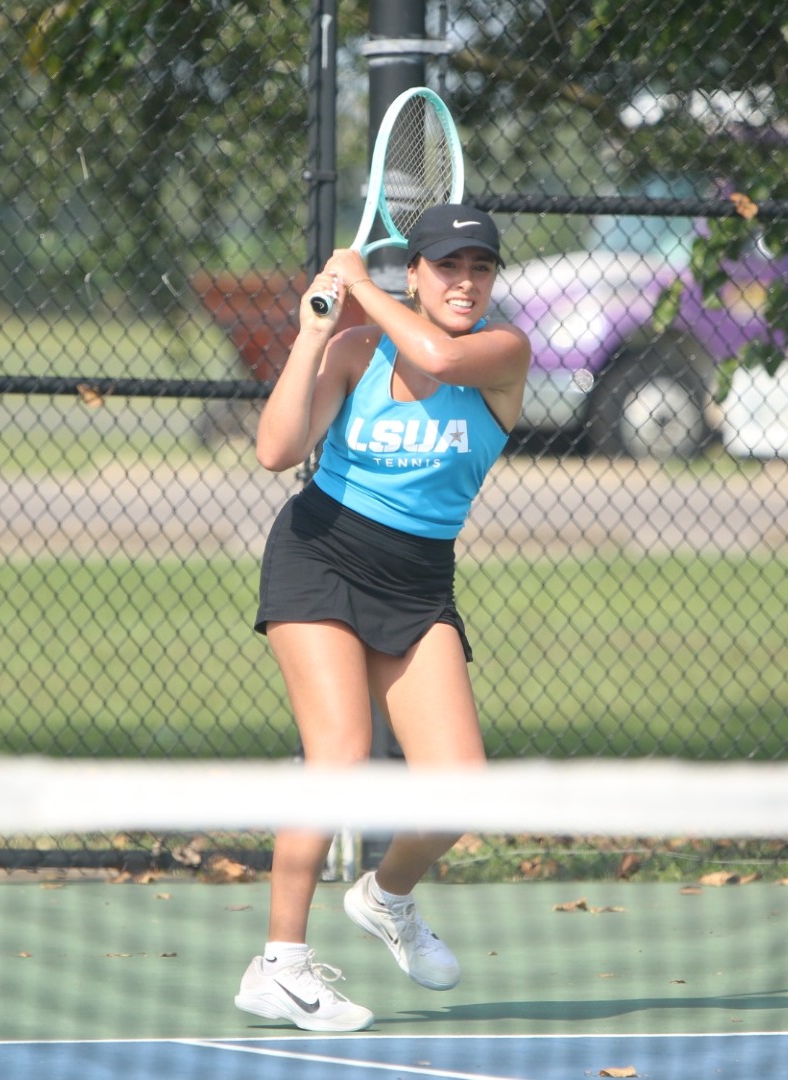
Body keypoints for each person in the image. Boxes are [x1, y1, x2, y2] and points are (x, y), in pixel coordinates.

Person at [232, 204, 531, 1032]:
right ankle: (279, 966)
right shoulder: (357, 351)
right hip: (319, 553)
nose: (466, 282)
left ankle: (386, 897)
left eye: (481, 267)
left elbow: (434, 351)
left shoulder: (502, 355)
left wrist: (362, 282)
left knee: (460, 789)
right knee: (339, 755)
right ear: (418, 274)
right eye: (448, 266)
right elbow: (275, 450)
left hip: (417, 583)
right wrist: (312, 336)